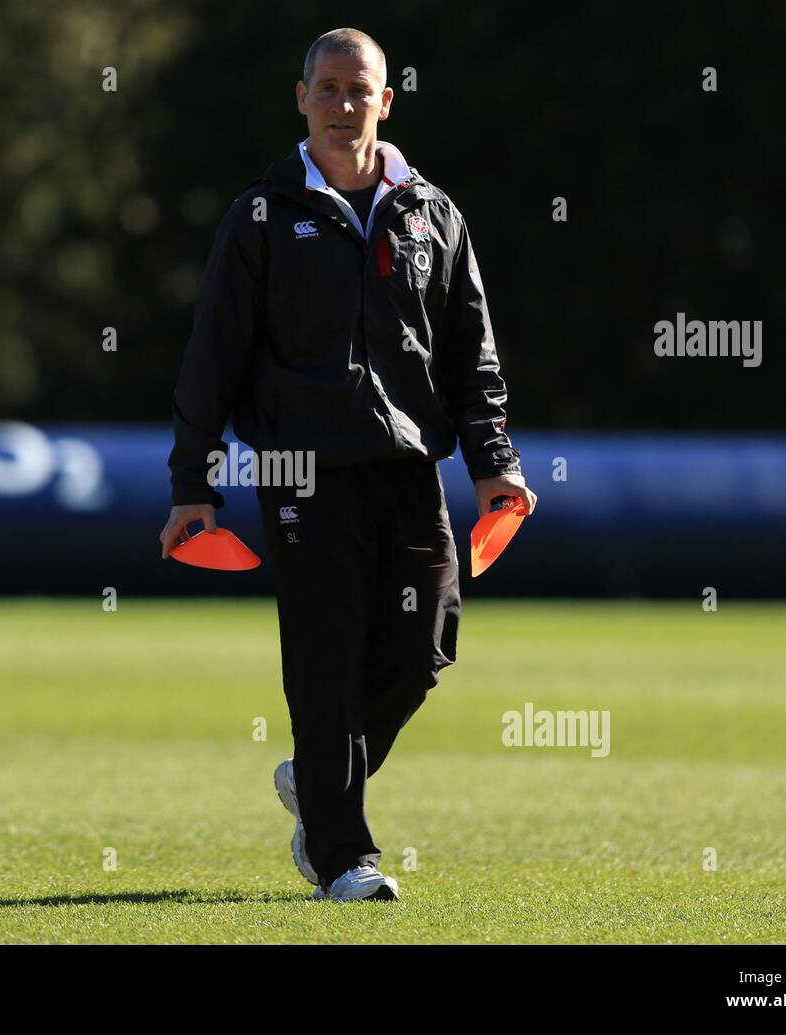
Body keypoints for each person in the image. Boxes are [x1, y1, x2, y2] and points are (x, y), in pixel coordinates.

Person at [159, 27, 536, 901]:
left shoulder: (434, 213)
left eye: (356, 89)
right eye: (324, 88)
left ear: (385, 101)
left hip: (407, 466)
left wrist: (495, 466)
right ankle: (343, 855)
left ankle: (320, 774)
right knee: (325, 655)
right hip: (299, 467)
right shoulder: (259, 215)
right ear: (301, 99)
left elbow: (471, 357)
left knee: (424, 645)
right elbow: (210, 358)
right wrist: (193, 487)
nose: (340, 104)